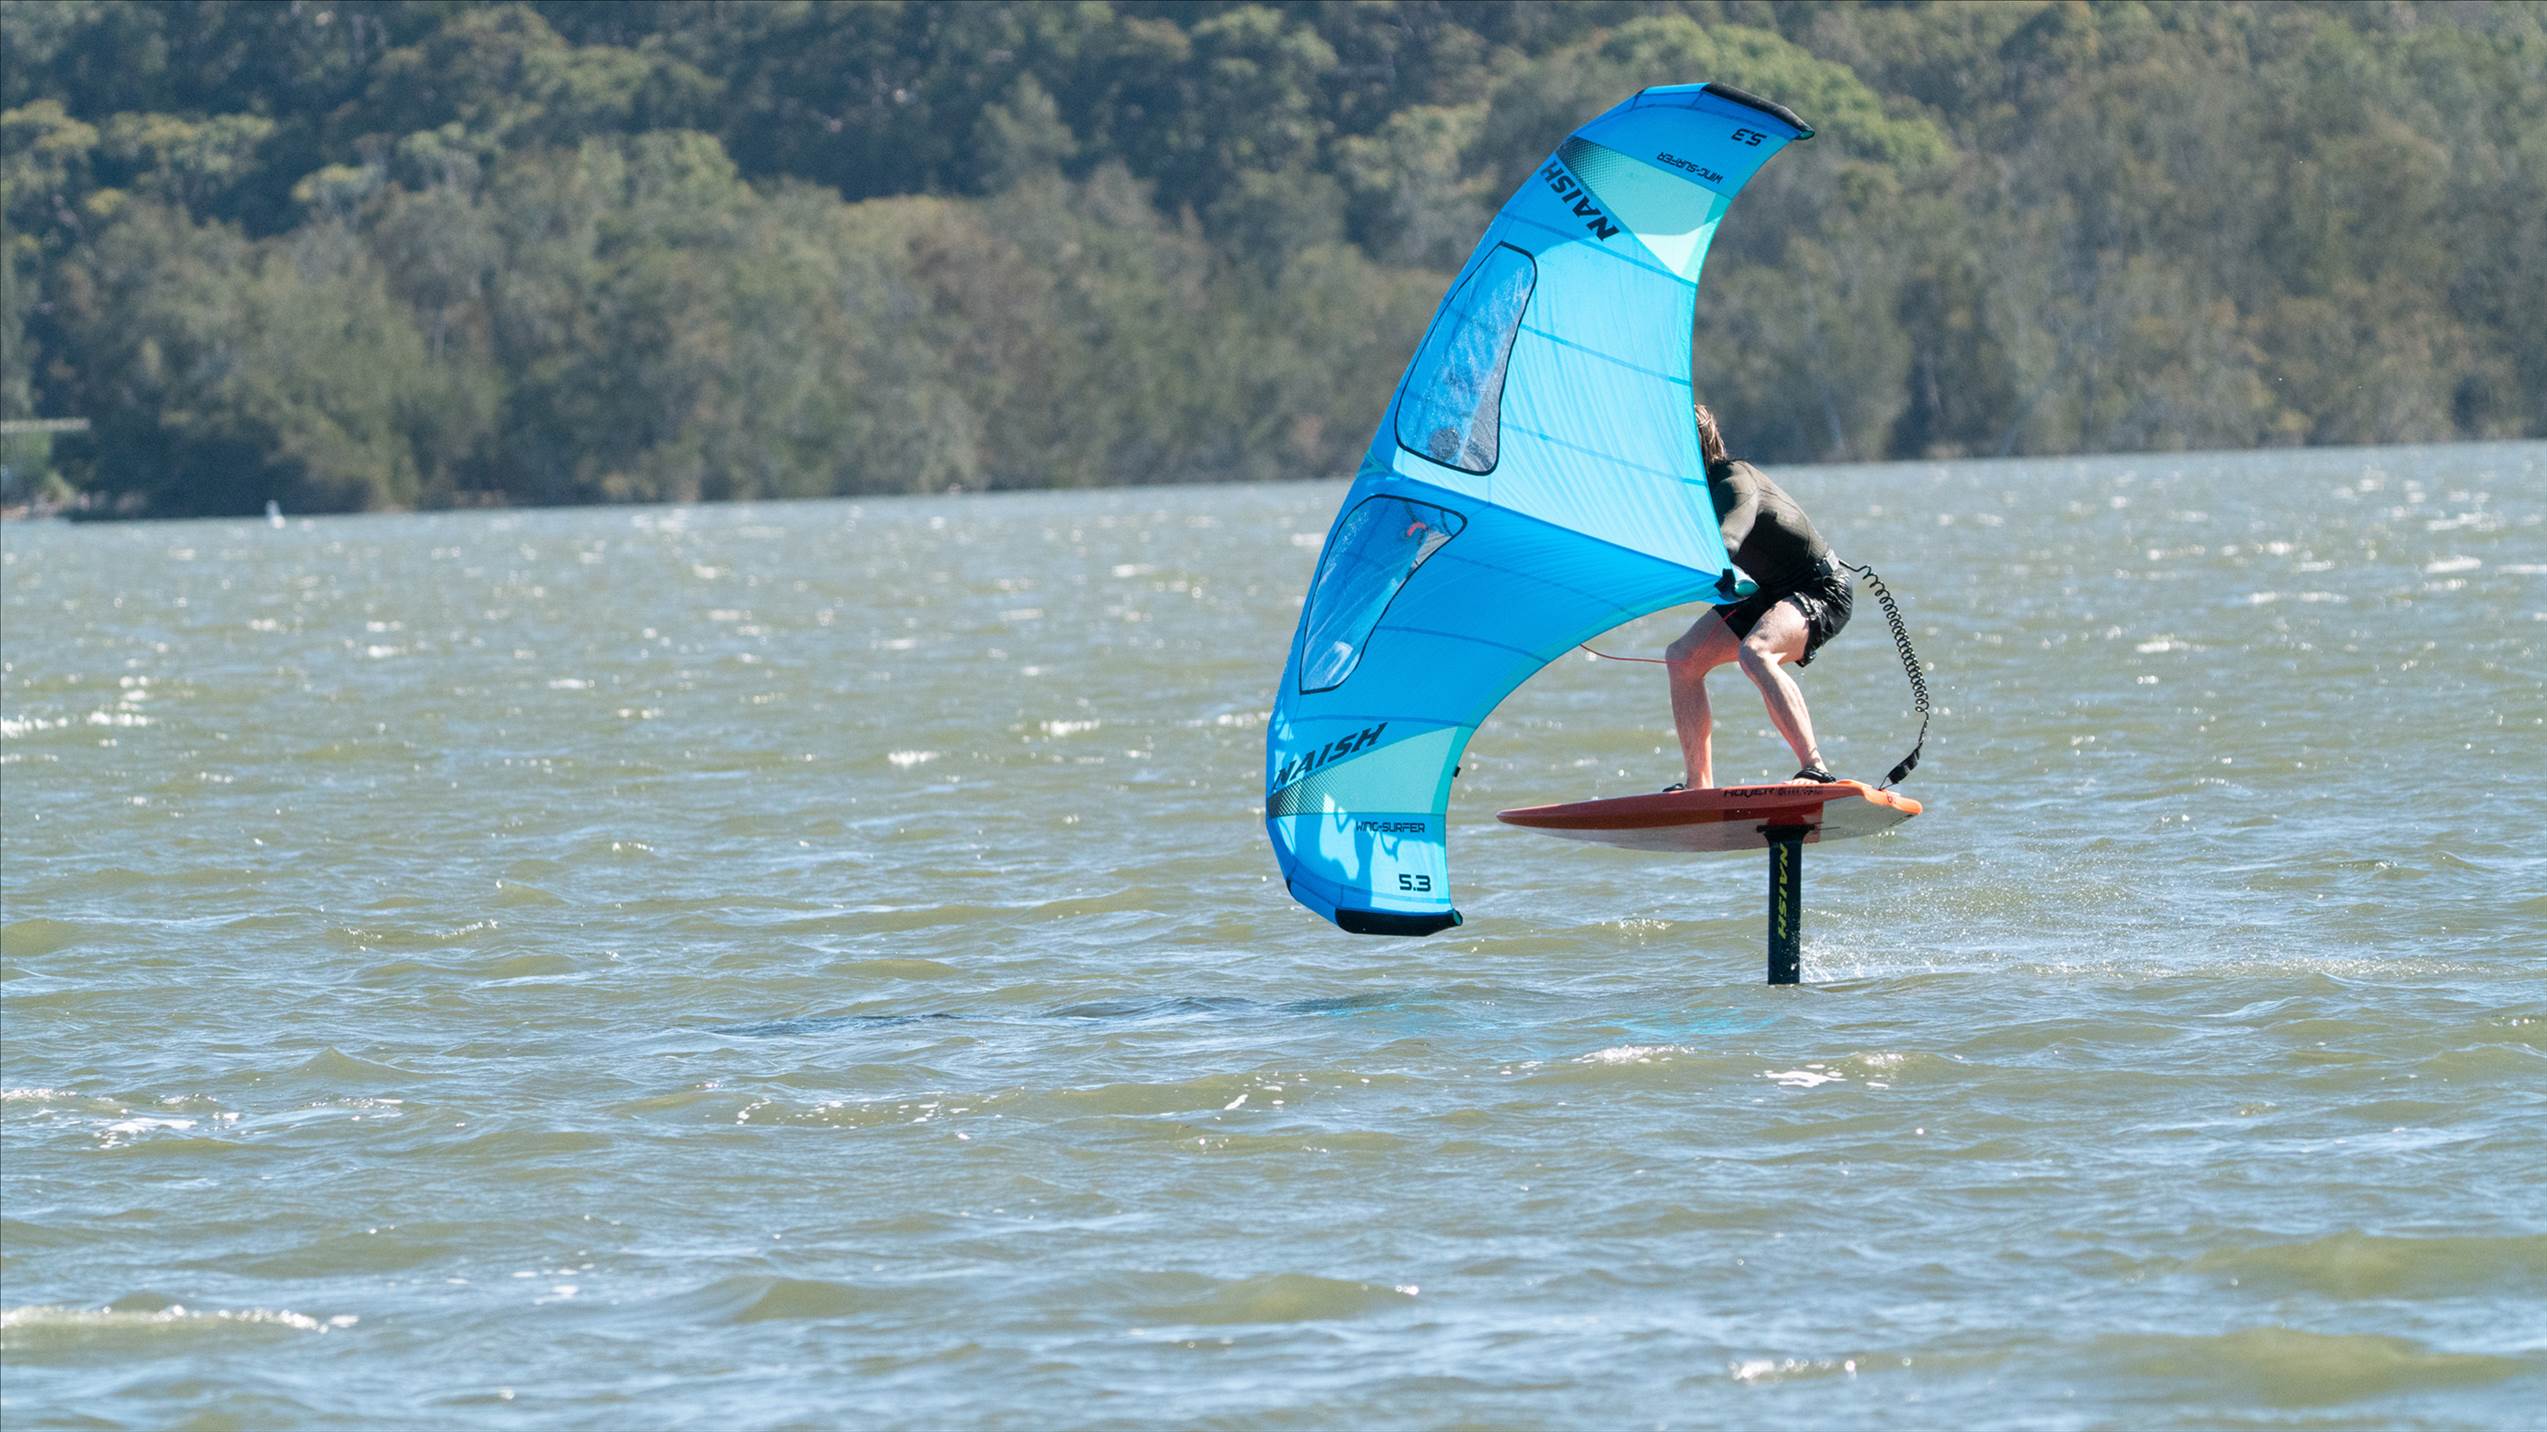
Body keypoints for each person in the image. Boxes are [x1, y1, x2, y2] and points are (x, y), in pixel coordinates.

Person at [1662, 404, 1854, 789]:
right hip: (1767, 591)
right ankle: (1698, 783)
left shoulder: (1734, 480)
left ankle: (1815, 769)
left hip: (1820, 588)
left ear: (1690, 445)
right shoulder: (1691, 497)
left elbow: (1728, 541)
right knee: (1682, 658)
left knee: (1757, 652)